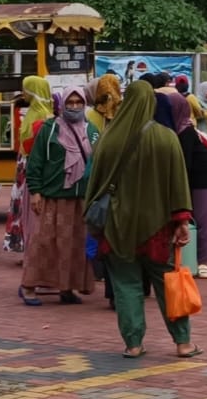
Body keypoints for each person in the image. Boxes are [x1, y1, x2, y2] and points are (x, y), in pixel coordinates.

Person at [84, 80, 200, 358]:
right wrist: (182, 221)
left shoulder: (109, 138)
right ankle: (183, 343)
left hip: (116, 226)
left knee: (126, 286)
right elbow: (178, 184)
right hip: (157, 227)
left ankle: (133, 344)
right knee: (167, 285)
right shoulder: (165, 137)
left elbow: (94, 183)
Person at [19, 85, 98, 305]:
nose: (74, 107)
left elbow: (98, 162)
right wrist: (35, 191)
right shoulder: (49, 129)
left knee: (75, 245)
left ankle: (67, 288)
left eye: (78, 103)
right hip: (53, 195)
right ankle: (29, 287)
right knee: (44, 242)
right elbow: (35, 163)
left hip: (81, 198)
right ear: (62, 105)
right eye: (70, 103)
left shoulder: (92, 130)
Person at [170, 85, 207, 278]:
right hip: (195, 177)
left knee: (203, 219)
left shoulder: (184, 131)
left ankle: (203, 261)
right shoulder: (180, 128)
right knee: (196, 218)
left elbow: (184, 161)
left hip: (202, 179)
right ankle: (195, 259)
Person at [8, 75, 54, 253]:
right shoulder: (31, 112)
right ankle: (25, 244)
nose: (24, 93)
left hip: (32, 164)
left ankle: (34, 247)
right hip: (23, 162)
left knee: (31, 207)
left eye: (26, 89)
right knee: (22, 206)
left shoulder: (44, 115)